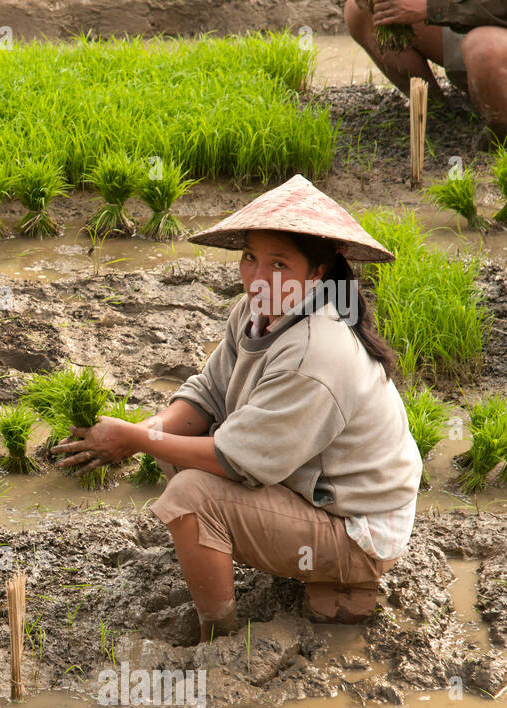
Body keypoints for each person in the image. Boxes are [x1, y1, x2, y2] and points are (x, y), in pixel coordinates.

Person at [53, 175, 422, 645]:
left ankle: (219, 635)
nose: (257, 277)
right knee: (173, 447)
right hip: (313, 495)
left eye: (279, 264)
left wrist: (134, 440)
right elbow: (207, 394)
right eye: (251, 258)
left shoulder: (319, 352)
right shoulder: (256, 311)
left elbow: (237, 461)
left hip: (358, 528)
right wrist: (146, 431)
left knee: (192, 494)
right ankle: (235, 554)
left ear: (317, 274)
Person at [345, 0, 507, 145]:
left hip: (492, 39)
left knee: (484, 50)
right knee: (364, 13)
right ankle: (434, 113)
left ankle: (499, 134)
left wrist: (432, 7)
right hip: (467, 22)